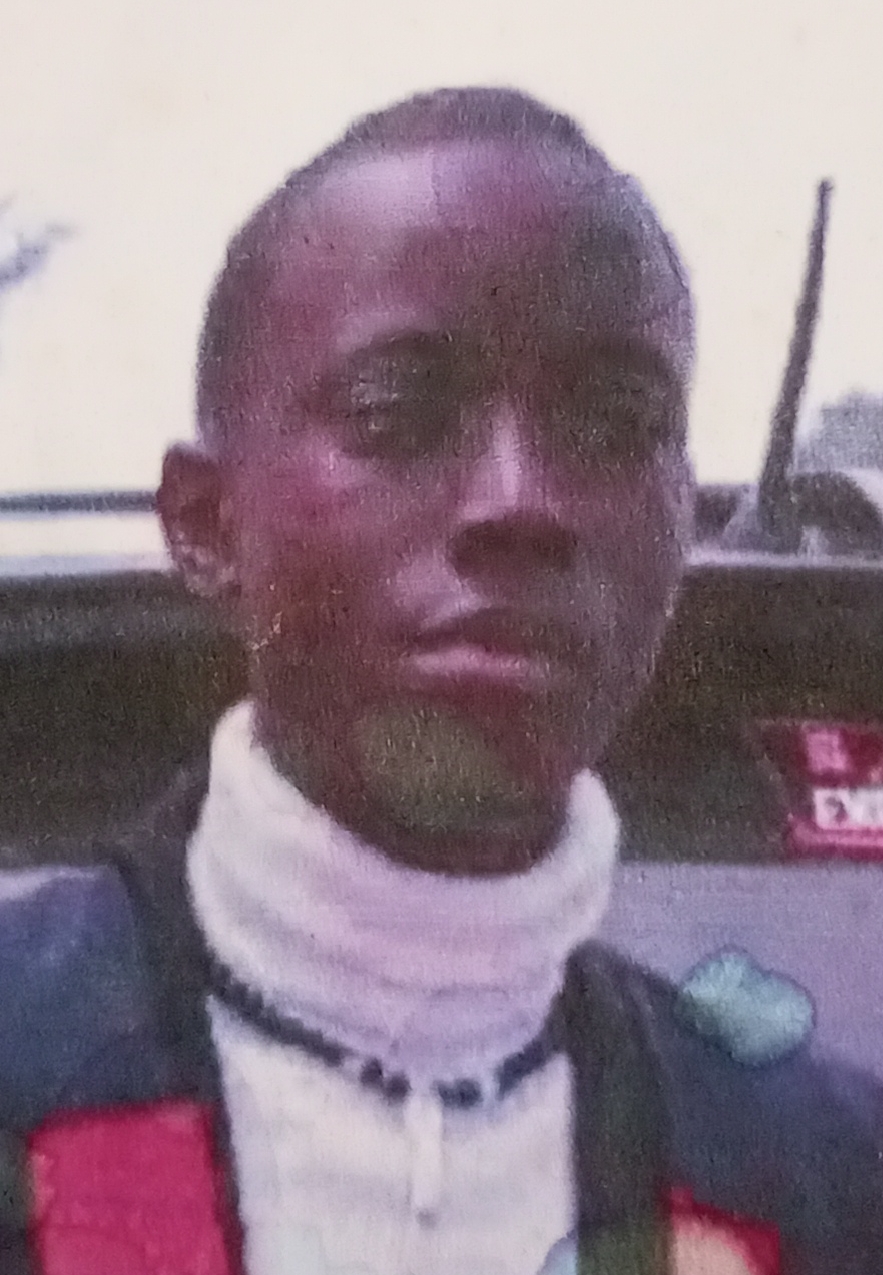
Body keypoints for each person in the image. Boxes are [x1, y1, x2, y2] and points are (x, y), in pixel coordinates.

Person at [1, 87, 881, 1275]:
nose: (519, 498)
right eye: (394, 413)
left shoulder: (822, 1186)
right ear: (206, 523)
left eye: (617, 421)